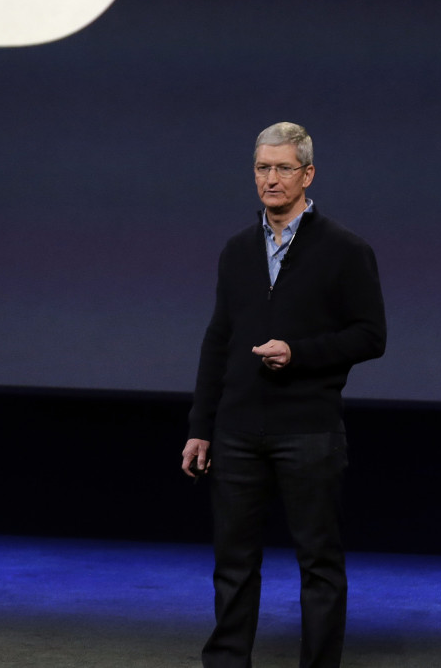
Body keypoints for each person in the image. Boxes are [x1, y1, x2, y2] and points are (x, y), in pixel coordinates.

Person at [182, 122, 386, 668]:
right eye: (262, 169)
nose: (271, 179)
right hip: (238, 430)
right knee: (233, 563)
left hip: (309, 429)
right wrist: (202, 425)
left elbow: (371, 336)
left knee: (319, 564)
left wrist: (299, 352)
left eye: (283, 168)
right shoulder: (236, 250)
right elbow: (218, 339)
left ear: (307, 174)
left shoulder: (345, 250)